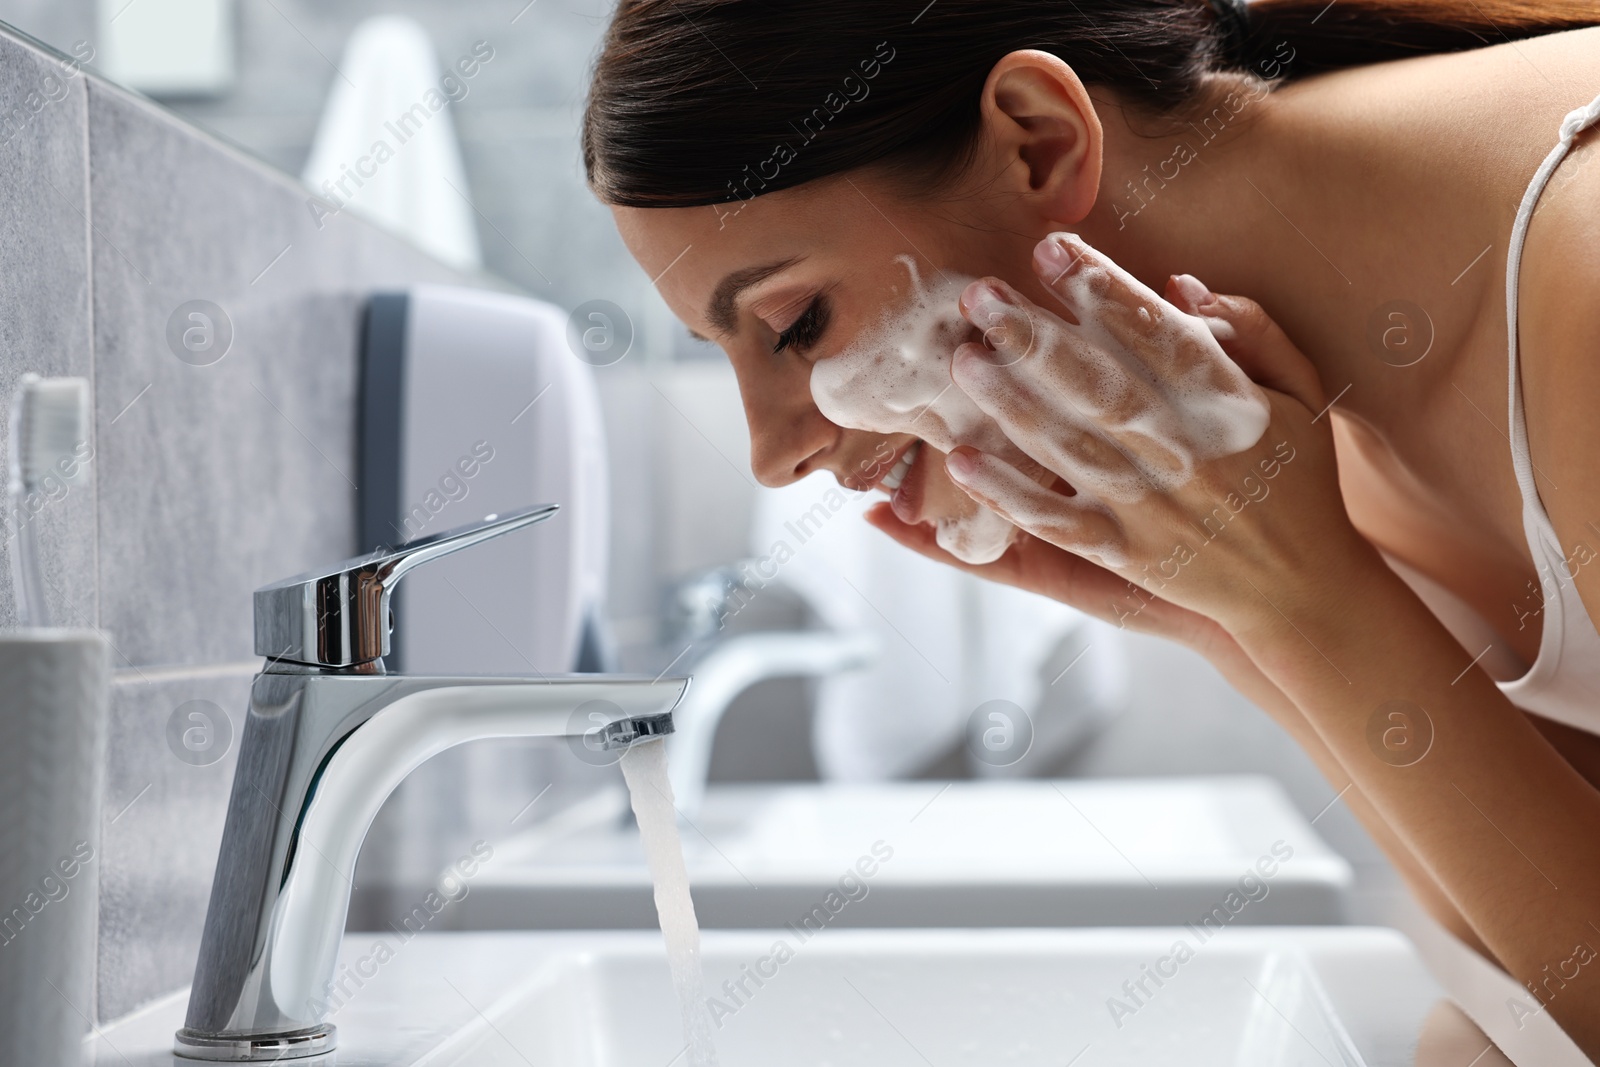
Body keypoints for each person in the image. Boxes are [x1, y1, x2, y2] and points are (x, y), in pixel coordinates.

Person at [583, 0, 1600, 1050]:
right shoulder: (1288, 380)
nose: (771, 453)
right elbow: (1530, 915)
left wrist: (1308, 601)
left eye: (798, 324)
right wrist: (1227, 616)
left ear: (1039, 140)